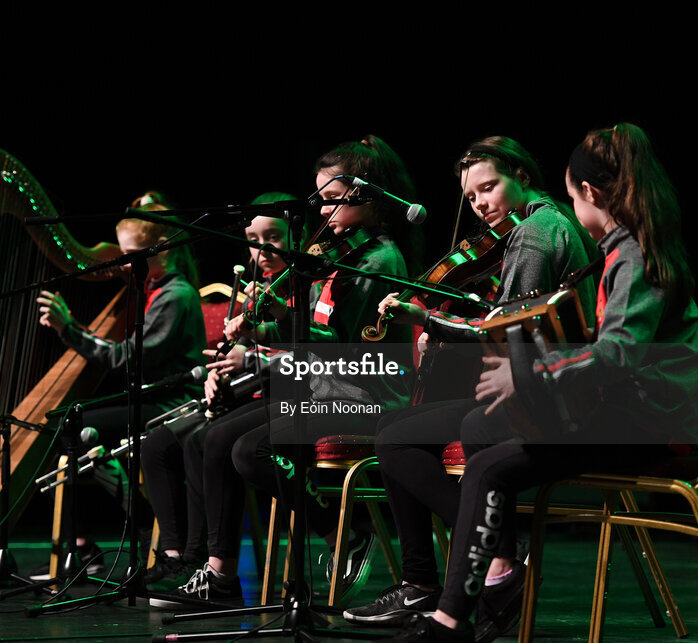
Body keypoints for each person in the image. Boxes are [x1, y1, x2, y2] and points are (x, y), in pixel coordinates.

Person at [389, 123, 698, 641]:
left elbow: (621, 352)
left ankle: (456, 615)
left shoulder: (631, 254)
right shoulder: (627, 248)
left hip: (646, 424)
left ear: (590, 193)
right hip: (633, 413)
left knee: (489, 464)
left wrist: (530, 375)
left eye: (571, 197)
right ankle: (489, 589)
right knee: (479, 430)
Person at [150, 135, 417, 607]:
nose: (323, 214)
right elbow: (311, 337)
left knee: (253, 451)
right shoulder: (337, 258)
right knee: (211, 438)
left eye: (334, 201)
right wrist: (264, 326)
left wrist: (261, 343)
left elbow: (346, 348)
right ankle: (219, 576)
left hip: (364, 394)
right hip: (321, 389)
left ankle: (343, 528)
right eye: (322, 201)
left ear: (372, 199)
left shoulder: (380, 260)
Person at [343, 136, 598, 626]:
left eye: (488, 188)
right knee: (401, 428)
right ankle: (458, 566)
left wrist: (428, 321)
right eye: (472, 197)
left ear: (521, 177)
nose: (480, 205)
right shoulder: (547, 225)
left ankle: (466, 566)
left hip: (542, 395)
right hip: (545, 384)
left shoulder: (535, 235)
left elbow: (506, 332)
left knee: (394, 436)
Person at [34, 192, 207, 575]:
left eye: (133, 255)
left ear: (161, 249)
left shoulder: (176, 297)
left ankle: (144, 527)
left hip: (173, 403)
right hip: (151, 397)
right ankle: (85, 545)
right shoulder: (155, 289)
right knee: (71, 424)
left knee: (75, 427)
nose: (126, 265)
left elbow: (126, 358)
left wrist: (70, 330)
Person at [141, 192, 296, 593]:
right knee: (159, 444)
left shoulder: (298, 287)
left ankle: (212, 565)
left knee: (208, 439)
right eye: (252, 237)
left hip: (291, 394)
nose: (261, 249)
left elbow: (302, 355)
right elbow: (254, 348)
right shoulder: (256, 288)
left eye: (274, 236)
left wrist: (249, 359)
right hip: (257, 390)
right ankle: (185, 555)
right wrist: (219, 376)